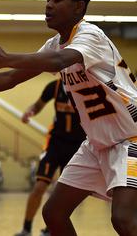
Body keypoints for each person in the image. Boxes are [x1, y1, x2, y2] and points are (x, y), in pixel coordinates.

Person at [0, 0, 137, 236]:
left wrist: (9, 57)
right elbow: (12, 78)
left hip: (130, 137)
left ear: (78, 6)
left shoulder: (90, 35)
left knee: (123, 219)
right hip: (97, 144)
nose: (48, 5)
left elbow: (58, 62)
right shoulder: (53, 44)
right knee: (54, 213)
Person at [14, 79, 86, 236]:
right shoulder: (54, 86)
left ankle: (51, 228)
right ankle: (26, 228)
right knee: (39, 186)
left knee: (62, 193)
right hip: (55, 143)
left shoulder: (86, 85)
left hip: (78, 146)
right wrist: (30, 111)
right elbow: (38, 105)